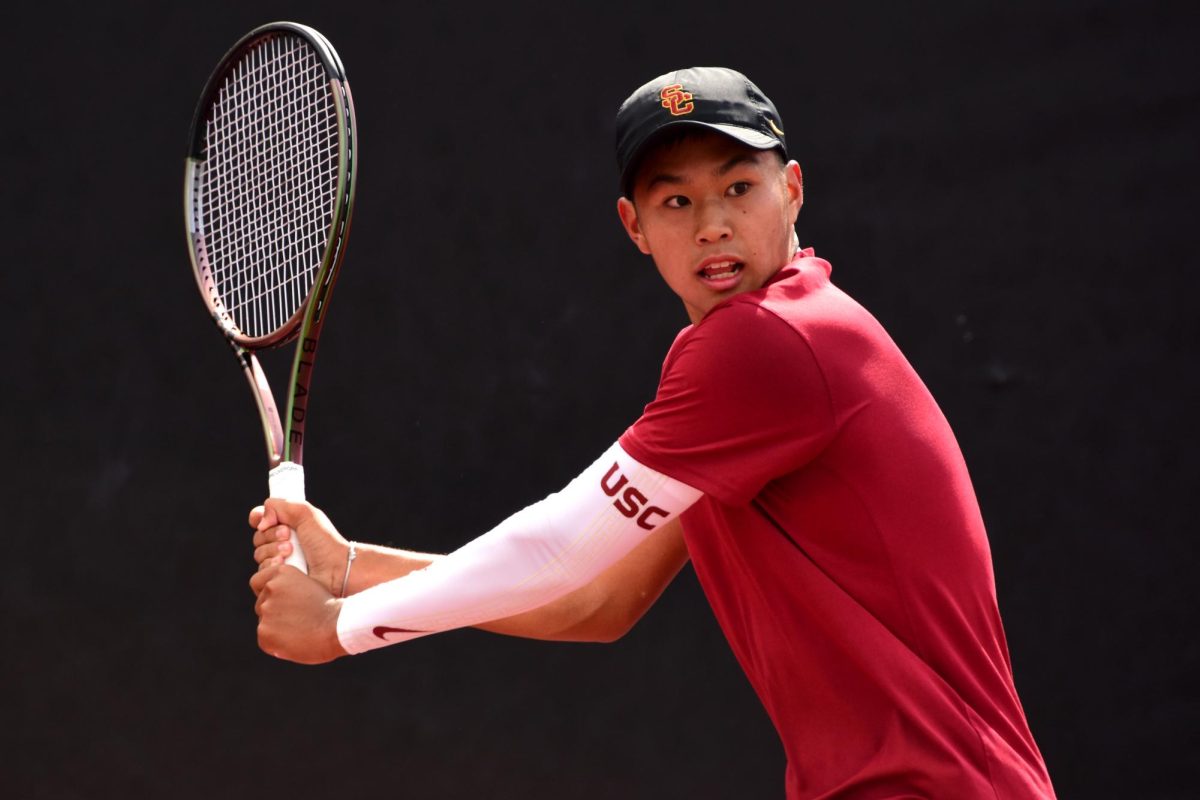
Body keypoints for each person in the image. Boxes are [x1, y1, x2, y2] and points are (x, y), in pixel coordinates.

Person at [249, 67, 1056, 798]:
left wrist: (340, 630)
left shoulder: (770, 344)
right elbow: (593, 598)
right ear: (635, 226)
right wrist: (351, 569)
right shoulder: (731, 370)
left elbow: (558, 549)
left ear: (794, 190)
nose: (712, 224)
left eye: (740, 187)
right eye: (677, 201)